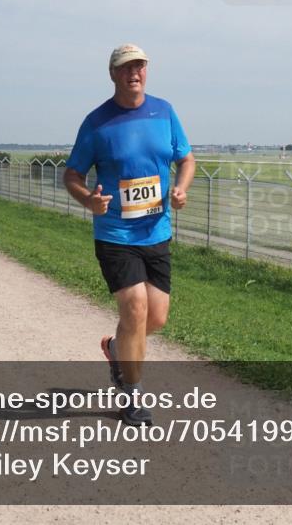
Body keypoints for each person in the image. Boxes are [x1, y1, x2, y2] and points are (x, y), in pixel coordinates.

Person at [64, 44, 195, 427]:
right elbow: (72, 174)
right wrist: (89, 200)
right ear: (113, 74)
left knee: (156, 318)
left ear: (146, 71)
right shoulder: (97, 122)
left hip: (156, 229)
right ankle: (132, 395)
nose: (133, 72)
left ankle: (116, 349)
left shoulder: (164, 111)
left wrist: (182, 188)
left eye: (139, 66)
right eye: (125, 67)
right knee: (135, 308)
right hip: (116, 232)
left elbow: (185, 158)